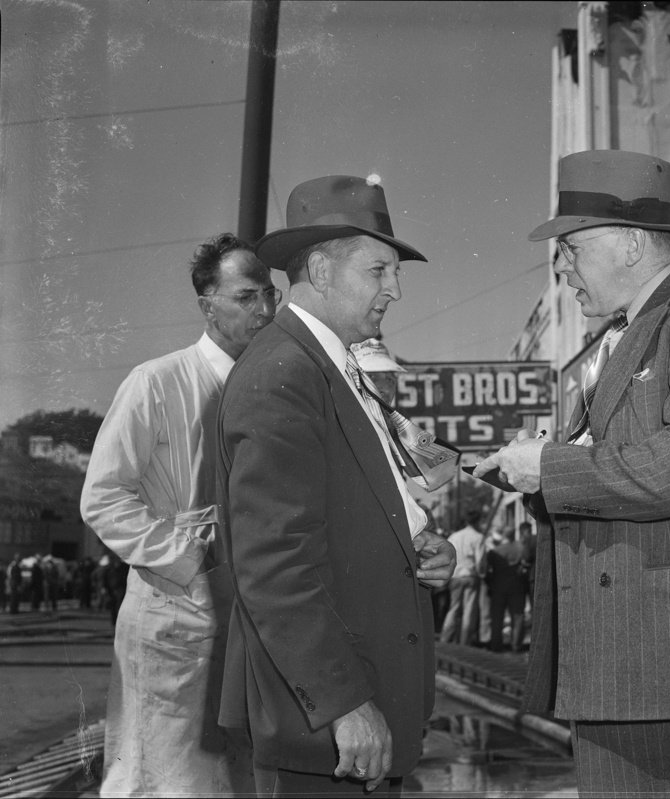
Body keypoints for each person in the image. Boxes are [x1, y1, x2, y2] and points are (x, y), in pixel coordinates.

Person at [475, 150, 670, 797]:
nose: (560, 266)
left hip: (668, 664)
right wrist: (529, 477)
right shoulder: (622, 336)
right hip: (622, 662)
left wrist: (552, 466)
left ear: (633, 244)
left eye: (572, 247)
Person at [217, 174, 457, 796]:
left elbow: (352, 510)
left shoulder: (331, 365)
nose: (396, 290)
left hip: (355, 716)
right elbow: (274, 561)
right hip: (328, 726)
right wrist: (345, 704)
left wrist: (418, 546)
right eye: (379, 270)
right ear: (320, 269)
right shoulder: (284, 372)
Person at [80, 232, 276, 796]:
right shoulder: (157, 383)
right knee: (162, 779)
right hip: (176, 617)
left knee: (236, 780)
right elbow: (103, 497)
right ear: (206, 304)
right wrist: (191, 558)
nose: (264, 310)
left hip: (249, 623)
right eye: (246, 296)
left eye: (271, 294)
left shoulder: (271, 390)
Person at [440, 509, 486, 646]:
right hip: (470, 575)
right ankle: (464, 642)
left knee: (453, 608)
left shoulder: (454, 536)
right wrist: (481, 573)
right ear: (478, 521)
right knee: (469, 610)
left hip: (455, 575)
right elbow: (480, 561)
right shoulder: (478, 537)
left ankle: (445, 638)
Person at [482, 525, 527, 653]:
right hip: (517, 587)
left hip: (498, 587)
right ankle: (516, 645)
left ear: (504, 535)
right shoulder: (521, 549)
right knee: (517, 616)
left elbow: (487, 571)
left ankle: (496, 645)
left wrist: (489, 584)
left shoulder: (495, 551)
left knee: (497, 617)